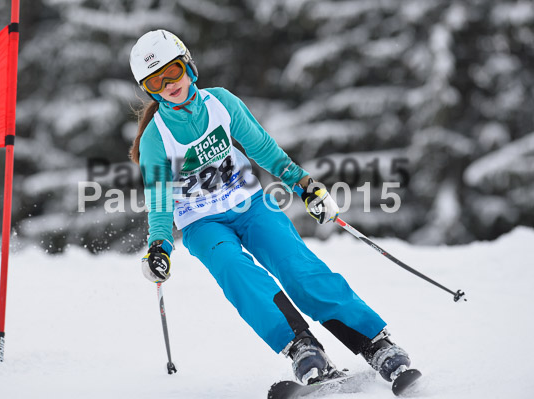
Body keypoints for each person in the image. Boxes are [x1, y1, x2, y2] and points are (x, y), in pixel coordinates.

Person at [128, 29, 413, 386]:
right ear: (148, 89)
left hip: (250, 204)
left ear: (188, 65)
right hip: (202, 223)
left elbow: (261, 147)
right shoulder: (156, 137)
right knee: (236, 271)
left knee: (297, 266)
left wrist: (304, 185)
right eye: (155, 81)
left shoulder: (221, 103)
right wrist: (160, 246)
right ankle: (301, 348)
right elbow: (158, 197)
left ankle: (374, 342)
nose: (168, 84)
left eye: (173, 71)